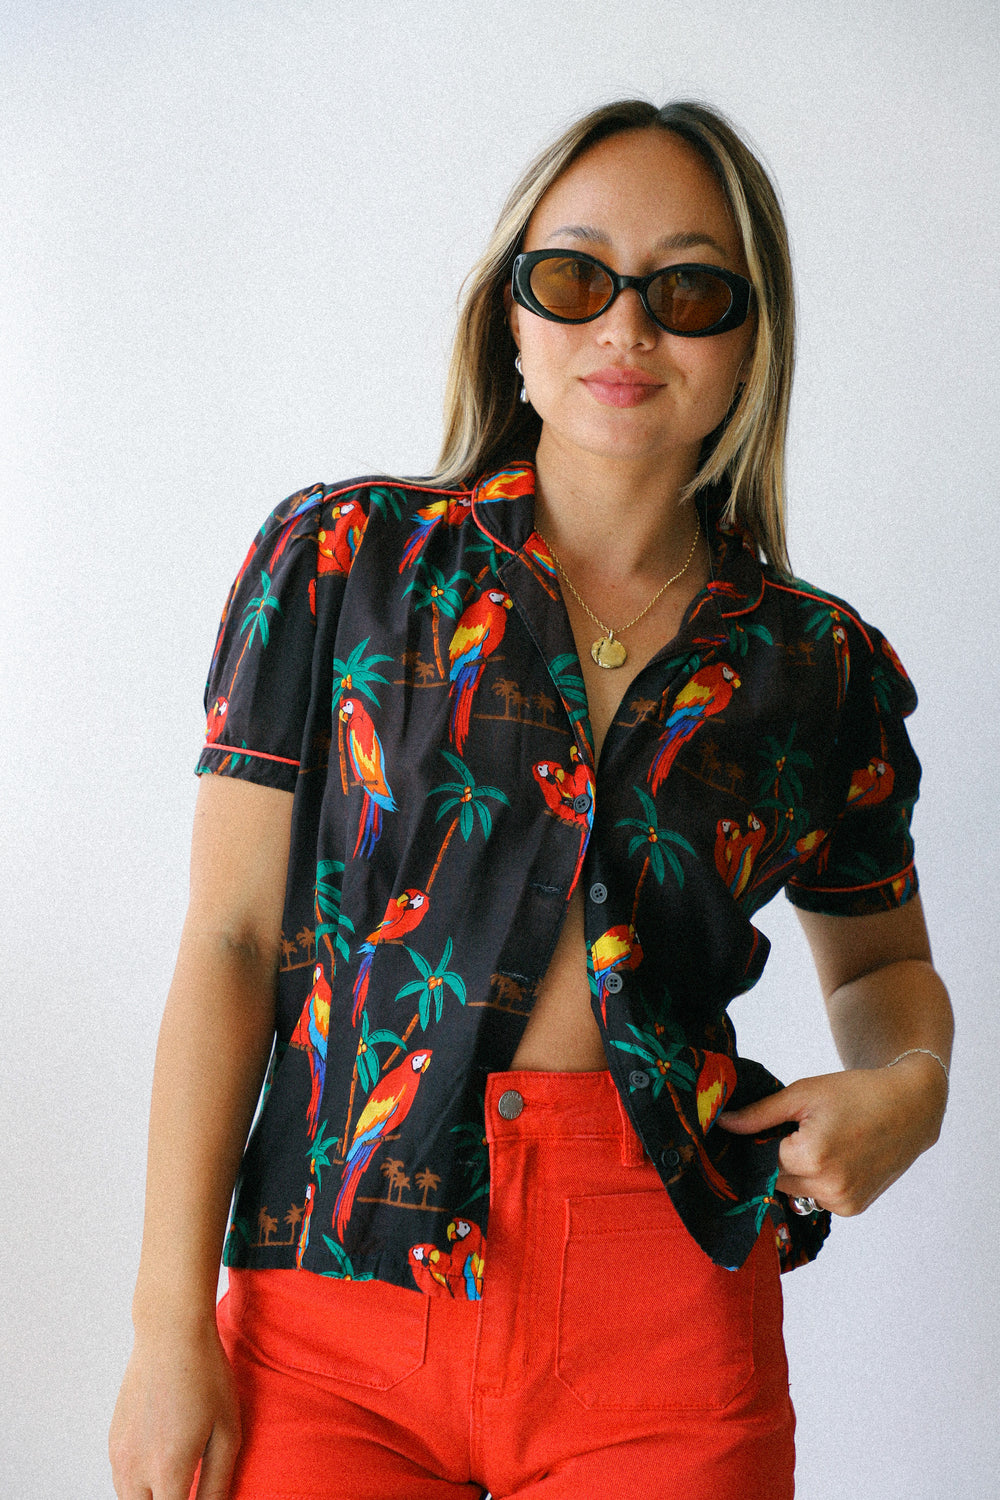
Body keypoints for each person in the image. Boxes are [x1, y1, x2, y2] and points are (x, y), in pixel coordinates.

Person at [109, 99, 953, 1500]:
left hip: (663, 1324)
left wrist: (910, 1089)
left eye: (689, 291)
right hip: (328, 1302)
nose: (627, 328)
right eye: (573, 278)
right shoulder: (340, 564)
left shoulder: (818, 668)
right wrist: (164, 1325)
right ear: (509, 315)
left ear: (752, 343)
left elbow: (882, 966)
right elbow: (232, 945)